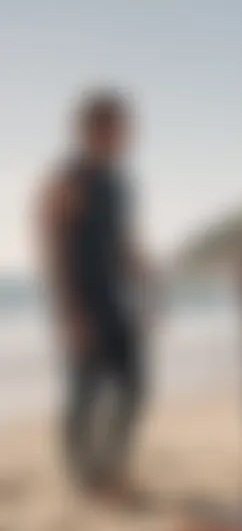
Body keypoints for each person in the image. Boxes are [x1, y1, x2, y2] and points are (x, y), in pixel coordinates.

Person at [37, 90, 151, 501]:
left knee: (135, 386)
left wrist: (146, 282)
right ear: (92, 130)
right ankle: (86, 478)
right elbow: (51, 244)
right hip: (83, 305)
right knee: (84, 394)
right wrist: (69, 314)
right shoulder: (69, 178)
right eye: (119, 126)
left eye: (127, 126)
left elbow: (121, 242)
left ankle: (113, 468)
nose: (128, 134)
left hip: (115, 302)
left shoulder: (118, 183)